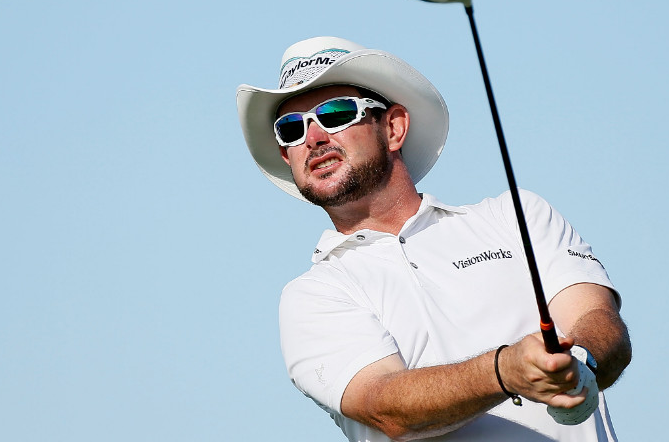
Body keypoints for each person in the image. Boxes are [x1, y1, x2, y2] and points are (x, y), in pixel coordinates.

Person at [235, 36, 632, 441]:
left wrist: (579, 364)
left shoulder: (517, 216)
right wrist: (505, 370)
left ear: (393, 127)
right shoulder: (311, 296)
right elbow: (385, 406)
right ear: (287, 157)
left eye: (335, 113)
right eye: (290, 128)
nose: (313, 138)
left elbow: (598, 320)